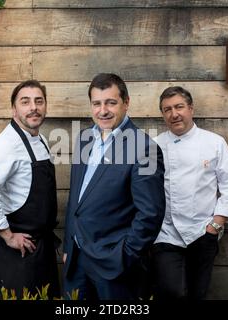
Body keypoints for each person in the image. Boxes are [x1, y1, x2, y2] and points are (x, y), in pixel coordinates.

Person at [62, 73, 165, 300]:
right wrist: (69, 246)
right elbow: (76, 199)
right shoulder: (84, 139)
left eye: (111, 102)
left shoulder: (144, 148)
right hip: (76, 261)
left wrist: (125, 256)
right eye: (96, 104)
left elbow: (150, 214)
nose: (103, 110)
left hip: (114, 266)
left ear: (126, 103)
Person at [0, 80, 60, 299]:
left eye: (39, 101)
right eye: (25, 102)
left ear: (45, 106)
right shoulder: (6, 144)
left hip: (41, 248)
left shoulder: (39, 139)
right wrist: (8, 236)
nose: (34, 107)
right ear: (14, 109)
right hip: (18, 252)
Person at [152, 86, 228, 300]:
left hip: (202, 232)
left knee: (198, 293)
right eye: (167, 109)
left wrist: (215, 225)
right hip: (166, 233)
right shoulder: (154, 145)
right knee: (171, 292)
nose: (174, 114)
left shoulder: (214, 142)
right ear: (163, 114)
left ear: (191, 108)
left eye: (179, 107)